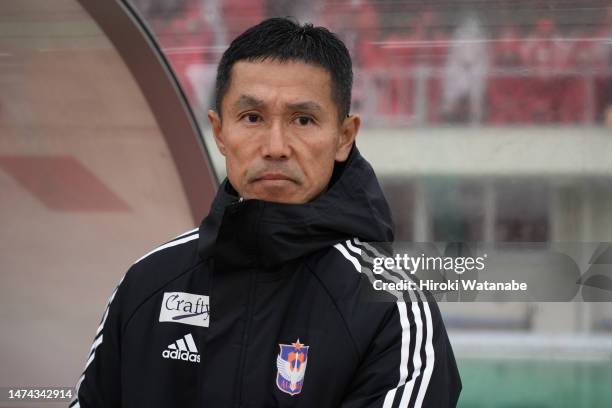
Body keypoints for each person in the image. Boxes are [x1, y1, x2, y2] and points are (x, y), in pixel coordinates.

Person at [70, 17, 461, 407]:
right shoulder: (147, 282)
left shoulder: (393, 305)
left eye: (303, 120)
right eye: (252, 118)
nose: (276, 146)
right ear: (220, 133)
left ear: (344, 137)